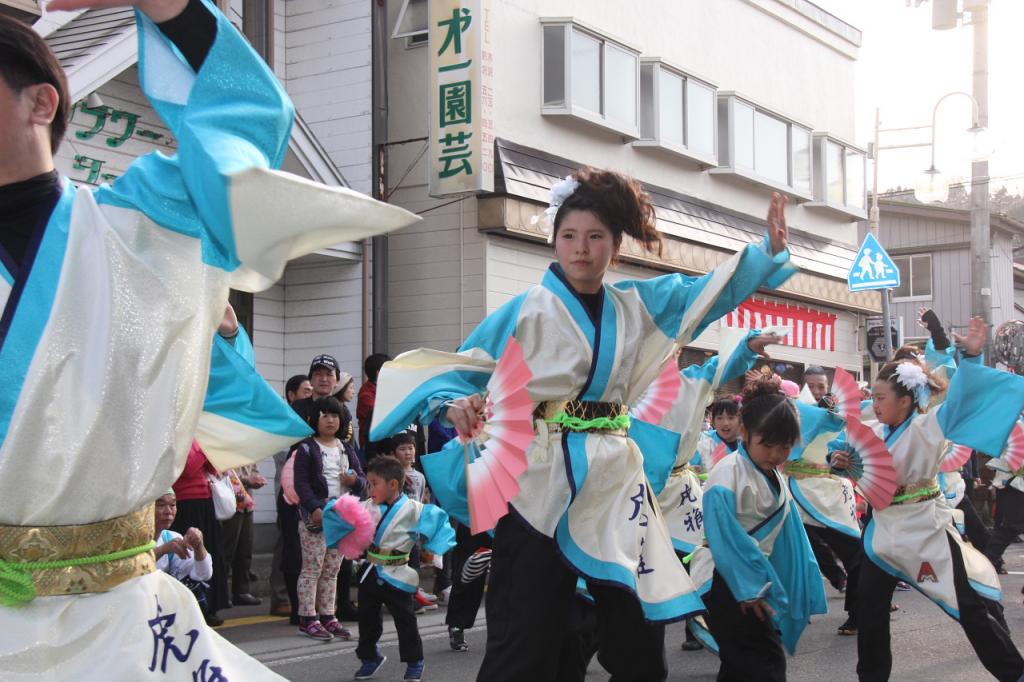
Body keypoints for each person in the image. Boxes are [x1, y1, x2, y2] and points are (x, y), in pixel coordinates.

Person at [0, 0, 415, 675]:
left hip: (115, 615)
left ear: (41, 102)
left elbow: (242, 121)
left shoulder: (143, 228)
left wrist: (167, 5)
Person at [370, 167, 795, 681]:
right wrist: (451, 405)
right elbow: (460, 370)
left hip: (615, 484)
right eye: (569, 236)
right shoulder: (527, 312)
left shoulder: (636, 307)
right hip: (539, 485)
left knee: (639, 650)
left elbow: (702, 295)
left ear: (615, 244)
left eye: (596, 237)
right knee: (525, 646)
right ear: (553, 241)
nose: (581, 248)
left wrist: (762, 254)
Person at [831, 317, 1024, 682]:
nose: (874, 401)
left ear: (905, 400)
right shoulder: (872, 428)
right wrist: (839, 462)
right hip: (883, 534)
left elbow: (964, 399)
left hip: (925, 530)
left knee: (967, 608)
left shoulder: (930, 426)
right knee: (871, 612)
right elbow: (845, 451)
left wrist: (971, 356)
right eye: (872, 395)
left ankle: (1014, 673)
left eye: (882, 396)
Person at [692, 377, 827, 681]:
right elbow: (725, 539)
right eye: (768, 445)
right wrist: (749, 588)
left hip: (747, 580)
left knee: (741, 666)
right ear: (745, 433)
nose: (777, 455)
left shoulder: (769, 472)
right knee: (765, 663)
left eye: (785, 447)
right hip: (728, 582)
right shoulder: (726, 475)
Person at [353, 456, 456, 682]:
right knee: (367, 620)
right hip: (371, 571)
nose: (370, 488)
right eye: (368, 483)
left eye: (374, 483)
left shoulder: (413, 509)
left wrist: (433, 550)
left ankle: (415, 661)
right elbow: (345, 519)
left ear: (393, 484)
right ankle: (370, 657)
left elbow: (440, 523)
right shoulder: (366, 507)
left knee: (405, 622)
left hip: (398, 574)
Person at [292, 396, 365, 641]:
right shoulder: (306, 448)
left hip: (341, 518)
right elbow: (300, 483)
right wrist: (314, 507)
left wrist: (355, 481)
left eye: (335, 415)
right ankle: (307, 618)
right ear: (314, 419)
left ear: (342, 420)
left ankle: (328, 616)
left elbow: (362, 480)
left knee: (332, 569)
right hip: (316, 517)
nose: (331, 420)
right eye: (325, 415)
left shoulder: (347, 448)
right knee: (312, 568)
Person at [171, 440, 230, 626]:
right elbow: (189, 467)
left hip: (205, 501)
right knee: (187, 555)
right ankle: (192, 605)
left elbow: (214, 467)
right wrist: (206, 448)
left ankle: (212, 606)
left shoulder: (198, 438)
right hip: (184, 502)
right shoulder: (179, 436)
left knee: (211, 553)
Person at [271, 375, 315, 619]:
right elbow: (282, 456)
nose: (310, 394)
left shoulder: (314, 417)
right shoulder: (286, 422)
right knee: (287, 545)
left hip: (308, 496)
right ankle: (281, 596)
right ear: (291, 394)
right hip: (288, 495)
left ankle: (303, 599)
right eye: (306, 390)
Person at [154, 489, 213, 611]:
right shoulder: (130, 540)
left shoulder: (171, 537)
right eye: (161, 505)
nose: (168, 512)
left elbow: (203, 574)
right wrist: (162, 550)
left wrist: (198, 546)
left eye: (173, 505)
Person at [221, 465, 265, 607]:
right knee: (226, 551)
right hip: (228, 504)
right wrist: (247, 480)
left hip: (247, 503)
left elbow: (254, 470)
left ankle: (242, 591)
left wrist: (257, 479)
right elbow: (220, 474)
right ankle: (220, 594)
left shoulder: (247, 448)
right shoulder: (223, 447)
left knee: (245, 550)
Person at [358, 353, 392, 462]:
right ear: (379, 372)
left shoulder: (383, 389)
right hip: (373, 448)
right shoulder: (367, 394)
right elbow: (380, 416)